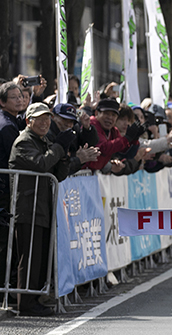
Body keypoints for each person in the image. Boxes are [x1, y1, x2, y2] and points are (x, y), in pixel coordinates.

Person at [9, 103, 72, 316]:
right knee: (29, 257)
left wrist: (64, 154)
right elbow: (41, 165)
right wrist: (57, 148)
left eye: (48, 118)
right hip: (28, 207)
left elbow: (58, 173)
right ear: (29, 121)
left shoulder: (44, 141)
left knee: (40, 255)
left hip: (42, 206)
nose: (45, 123)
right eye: (40, 118)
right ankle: (25, 303)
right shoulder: (23, 142)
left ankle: (34, 298)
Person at [0, 82, 25, 288]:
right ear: (2, 102)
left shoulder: (14, 121)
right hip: (5, 189)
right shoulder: (7, 126)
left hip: (9, 188)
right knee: (6, 243)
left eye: (21, 95)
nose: (20, 99)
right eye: (14, 97)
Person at [86, 98, 144, 172]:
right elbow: (104, 148)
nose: (110, 117)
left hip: (92, 175)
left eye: (113, 115)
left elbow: (126, 153)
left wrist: (134, 139)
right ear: (97, 113)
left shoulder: (113, 130)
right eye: (106, 113)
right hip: (81, 173)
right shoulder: (91, 124)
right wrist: (127, 138)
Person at [48, 103, 100, 175]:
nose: (68, 124)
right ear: (53, 117)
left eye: (71, 121)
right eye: (64, 119)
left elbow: (89, 144)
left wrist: (87, 128)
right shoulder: (47, 134)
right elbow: (54, 167)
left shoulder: (73, 131)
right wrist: (78, 159)